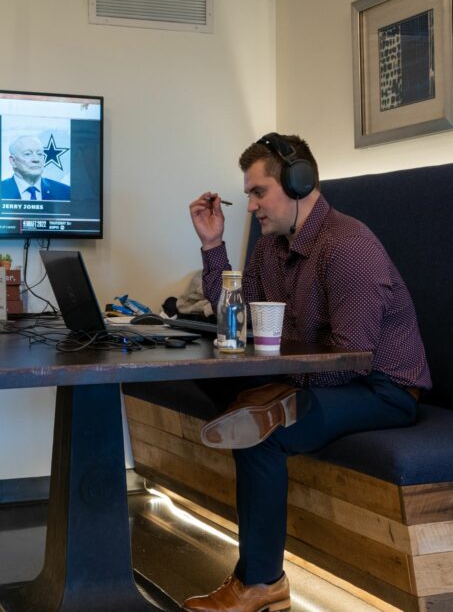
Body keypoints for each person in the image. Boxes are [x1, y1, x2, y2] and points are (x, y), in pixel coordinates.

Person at [182, 133, 431, 612]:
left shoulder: (349, 246)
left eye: (259, 192)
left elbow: (350, 359)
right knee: (212, 383)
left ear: (299, 182)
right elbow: (233, 318)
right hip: (313, 378)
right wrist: (212, 244)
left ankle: (261, 584)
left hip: (381, 389)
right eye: (249, 193)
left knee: (262, 428)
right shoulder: (272, 248)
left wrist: (273, 392)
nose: (251, 205)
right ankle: (259, 575)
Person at [0, 135, 71, 201]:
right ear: (13, 161)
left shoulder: (65, 192)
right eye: (27, 154)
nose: (36, 159)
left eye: (40, 154)